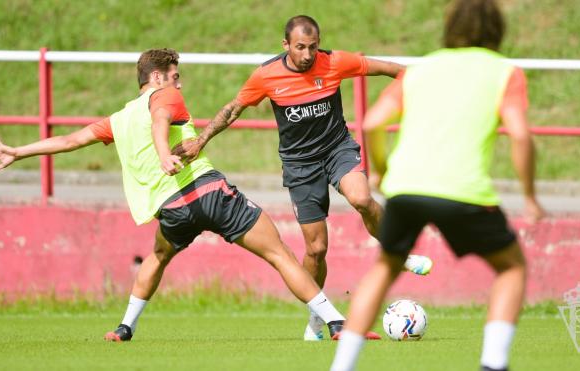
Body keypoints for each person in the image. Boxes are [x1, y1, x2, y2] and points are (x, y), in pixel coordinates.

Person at [0, 48, 380, 342]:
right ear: (156, 78)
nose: (179, 82)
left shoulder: (117, 120)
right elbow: (160, 121)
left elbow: (70, 139)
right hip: (208, 193)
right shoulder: (164, 97)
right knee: (281, 254)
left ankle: (125, 327)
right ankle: (335, 322)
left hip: (171, 210)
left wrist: (19, 151)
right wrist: (164, 154)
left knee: (158, 256)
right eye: (174, 74)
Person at [172, 15, 433, 341]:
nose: (308, 54)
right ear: (286, 45)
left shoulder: (334, 62)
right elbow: (233, 108)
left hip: (338, 150)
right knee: (316, 249)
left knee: (362, 198)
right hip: (299, 165)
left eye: (312, 47)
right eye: (300, 47)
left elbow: (391, 69)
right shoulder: (267, 75)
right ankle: (316, 320)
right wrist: (200, 140)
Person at [329, 1, 547, 370]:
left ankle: (342, 365)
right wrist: (529, 196)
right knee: (511, 268)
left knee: (384, 269)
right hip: (464, 191)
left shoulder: (422, 69)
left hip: (406, 188)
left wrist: (381, 170)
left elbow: (372, 124)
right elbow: (522, 136)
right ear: (497, 30)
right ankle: (493, 364)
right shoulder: (505, 73)